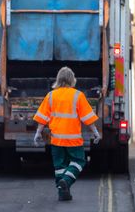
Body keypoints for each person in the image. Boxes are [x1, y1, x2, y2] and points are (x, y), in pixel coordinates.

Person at [33, 67, 102, 201]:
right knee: (79, 161)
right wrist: (96, 133)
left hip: (56, 140)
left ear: (58, 79)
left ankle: (63, 193)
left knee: (60, 166)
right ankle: (66, 182)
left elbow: (42, 117)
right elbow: (88, 118)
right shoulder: (78, 95)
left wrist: (37, 133)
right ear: (72, 80)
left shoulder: (51, 96)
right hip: (73, 140)